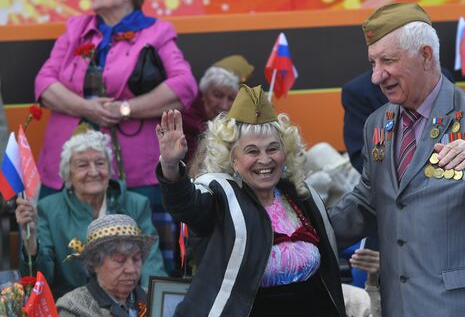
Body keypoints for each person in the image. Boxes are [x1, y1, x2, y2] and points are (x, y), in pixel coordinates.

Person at [328, 2, 465, 317]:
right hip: (403, 305)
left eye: (388, 61)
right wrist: (302, 236)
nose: (377, 76)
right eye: (373, 63)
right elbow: (365, 202)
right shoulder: (377, 124)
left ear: (426, 55)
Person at [34, 0, 197, 271]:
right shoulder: (75, 28)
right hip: (71, 166)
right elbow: (43, 83)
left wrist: (125, 108)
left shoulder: (156, 32)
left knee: (141, 259)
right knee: (64, 258)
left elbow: (185, 86)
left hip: (135, 170)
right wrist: (87, 108)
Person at [156, 85, 346, 317]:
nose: (264, 160)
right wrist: (170, 166)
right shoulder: (220, 199)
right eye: (252, 151)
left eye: (273, 149)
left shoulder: (301, 196)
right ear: (233, 159)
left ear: (284, 153)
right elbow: (185, 205)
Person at [15, 127, 166, 299]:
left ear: (109, 171)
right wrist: (32, 241)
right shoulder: (48, 209)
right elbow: (41, 279)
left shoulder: (135, 204)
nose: (94, 172)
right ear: (68, 176)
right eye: (83, 165)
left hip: (127, 303)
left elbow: (151, 265)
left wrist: (154, 305)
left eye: (100, 163)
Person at [342, 69, 455, 173]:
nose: (377, 76)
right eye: (374, 62)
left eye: (390, 59)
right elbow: (362, 158)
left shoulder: (440, 77)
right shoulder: (359, 91)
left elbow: (456, 131)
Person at [56, 214, 153, 316]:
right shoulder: (73, 307)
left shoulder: (154, 298)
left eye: (136, 259)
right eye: (119, 260)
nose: (131, 269)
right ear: (95, 263)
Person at [182, 54, 254, 163]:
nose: (224, 105)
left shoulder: (245, 123)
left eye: (231, 98)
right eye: (217, 95)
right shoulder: (185, 122)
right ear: (204, 93)